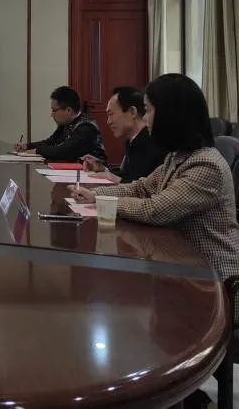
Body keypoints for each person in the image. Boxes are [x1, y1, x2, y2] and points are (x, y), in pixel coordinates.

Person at [71, 74, 239, 285]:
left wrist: (102, 201)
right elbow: (141, 188)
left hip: (214, 280)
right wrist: (94, 193)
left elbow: (155, 210)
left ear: (171, 115)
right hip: (181, 265)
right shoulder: (176, 156)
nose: (145, 119)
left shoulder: (206, 165)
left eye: (148, 110)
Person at [82, 87, 167, 183]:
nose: (108, 122)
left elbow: (145, 186)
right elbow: (128, 175)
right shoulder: (132, 140)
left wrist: (117, 179)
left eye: (111, 114)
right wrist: (103, 169)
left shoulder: (153, 142)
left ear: (132, 112)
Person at [17, 86, 106, 162]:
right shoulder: (66, 124)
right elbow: (51, 142)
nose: (52, 114)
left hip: (93, 174)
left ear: (68, 110)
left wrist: (38, 151)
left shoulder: (86, 127)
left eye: (54, 110)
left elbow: (65, 151)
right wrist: (28, 146)